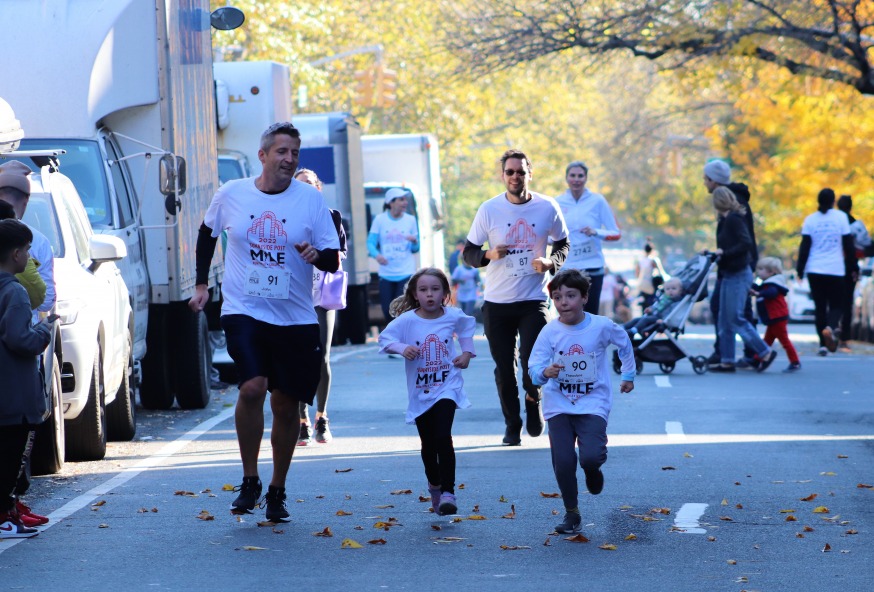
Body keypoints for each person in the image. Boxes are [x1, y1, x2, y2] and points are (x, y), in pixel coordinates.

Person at [188, 122, 340, 523]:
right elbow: (206, 234)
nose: (289, 159)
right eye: (282, 152)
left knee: (286, 404)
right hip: (245, 310)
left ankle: (277, 489)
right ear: (263, 155)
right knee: (253, 386)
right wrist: (201, 284)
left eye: (295, 153)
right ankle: (250, 478)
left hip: (295, 317)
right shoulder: (232, 193)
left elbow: (333, 258)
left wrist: (316, 255)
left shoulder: (310, 200)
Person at [463, 149, 569, 446]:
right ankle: (512, 424)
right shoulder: (489, 209)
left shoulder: (547, 206)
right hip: (497, 302)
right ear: (503, 176)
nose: (515, 176)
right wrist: (488, 254)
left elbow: (563, 244)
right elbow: (468, 253)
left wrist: (550, 263)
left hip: (533, 299)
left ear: (529, 174)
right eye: (509, 172)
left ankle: (534, 400)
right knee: (504, 370)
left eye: (520, 171)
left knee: (532, 363)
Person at [528, 269, 635, 534]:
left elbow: (624, 342)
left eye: (570, 295)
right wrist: (545, 372)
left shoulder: (601, 326)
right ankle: (572, 513)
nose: (563, 302)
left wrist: (628, 374)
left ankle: (593, 470)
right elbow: (534, 366)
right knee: (564, 461)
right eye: (557, 297)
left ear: (585, 297)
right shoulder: (549, 331)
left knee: (590, 457)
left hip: (593, 401)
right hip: (558, 403)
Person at [377, 268, 476, 516]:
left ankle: (449, 493)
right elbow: (385, 339)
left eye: (435, 289)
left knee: (443, 436)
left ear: (445, 293)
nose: (429, 294)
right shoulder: (407, 320)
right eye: (423, 290)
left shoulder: (453, 316)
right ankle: (435, 485)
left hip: (447, 386)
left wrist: (466, 353)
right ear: (415, 294)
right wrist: (402, 348)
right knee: (428, 444)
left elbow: (466, 328)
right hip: (421, 391)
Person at [0, 160, 56, 529]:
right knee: (11, 456)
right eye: (27, 252)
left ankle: (9, 509)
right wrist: (46, 331)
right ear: (18, 254)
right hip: (14, 394)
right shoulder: (16, 292)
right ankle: (6, 514)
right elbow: (20, 337)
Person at [292, 169, 346, 446]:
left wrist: (321, 254)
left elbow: (340, 252)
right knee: (298, 356)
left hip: (321, 292)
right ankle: (301, 419)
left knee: (321, 355)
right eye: (300, 184)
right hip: (293, 294)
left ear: (318, 188)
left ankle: (321, 418)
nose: (306, 189)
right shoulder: (285, 215)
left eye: (310, 184)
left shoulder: (331, 216)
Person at [706, 187, 777, 373]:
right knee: (724, 319)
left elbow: (746, 243)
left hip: (738, 273)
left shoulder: (734, 219)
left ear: (718, 201)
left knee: (735, 317)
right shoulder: (724, 220)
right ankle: (727, 360)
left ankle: (765, 351)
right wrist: (716, 253)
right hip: (728, 272)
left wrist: (725, 253)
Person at [702, 159, 758, 367]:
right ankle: (725, 354)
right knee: (724, 308)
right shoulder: (729, 200)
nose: (704, 183)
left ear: (714, 180)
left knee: (737, 312)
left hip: (739, 264)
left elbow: (745, 239)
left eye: (706, 179)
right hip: (730, 263)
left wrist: (726, 254)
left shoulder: (733, 202)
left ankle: (755, 352)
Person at [554, 161, 621, 314]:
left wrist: (596, 232)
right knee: (568, 313)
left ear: (586, 178)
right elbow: (550, 235)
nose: (576, 179)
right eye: (572, 175)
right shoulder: (557, 202)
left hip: (592, 267)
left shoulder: (597, 200)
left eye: (580, 176)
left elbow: (616, 233)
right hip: (567, 267)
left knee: (590, 315)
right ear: (566, 178)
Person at [796, 188, 855, 356]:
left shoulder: (810, 220)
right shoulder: (841, 217)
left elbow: (805, 246)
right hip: (835, 269)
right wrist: (853, 267)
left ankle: (822, 345)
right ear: (833, 201)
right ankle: (830, 327)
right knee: (837, 305)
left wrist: (800, 269)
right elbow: (848, 245)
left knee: (820, 307)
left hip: (815, 269)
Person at [368, 187, 419, 323]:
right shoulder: (380, 220)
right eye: (401, 200)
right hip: (386, 273)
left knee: (402, 309)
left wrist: (414, 242)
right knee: (387, 309)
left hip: (406, 272)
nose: (405, 202)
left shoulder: (410, 220)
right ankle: (393, 333)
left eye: (405, 199)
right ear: (391, 202)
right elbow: (370, 243)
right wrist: (377, 255)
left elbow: (416, 248)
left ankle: (402, 334)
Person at [836, 195, 872, 351]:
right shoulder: (857, 226)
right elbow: (867, 244)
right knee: (847, 301)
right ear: (851, 207)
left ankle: (830, 329)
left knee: (832, 300)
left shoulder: (832, 223)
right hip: (849, 266)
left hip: (831, 266)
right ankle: (844, 338)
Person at [752, 257, 800, 372]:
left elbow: (771, 293)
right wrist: (756, 282)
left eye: (761, 269)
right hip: (774, 317)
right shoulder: (766, 282)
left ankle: (795, 362)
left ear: (771, 272)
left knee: (784, 340)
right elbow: (756, 287)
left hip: (777, 316)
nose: (759, 272)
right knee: (767, 340)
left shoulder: (773, 284)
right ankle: (757, 358)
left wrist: (758, 293)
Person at [634, 243, 665, 310]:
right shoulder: (653, 260)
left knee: (644, 303)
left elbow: (637, 274)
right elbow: (660, 272)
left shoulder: (640, 261)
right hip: (650, 285)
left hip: (642, 285)